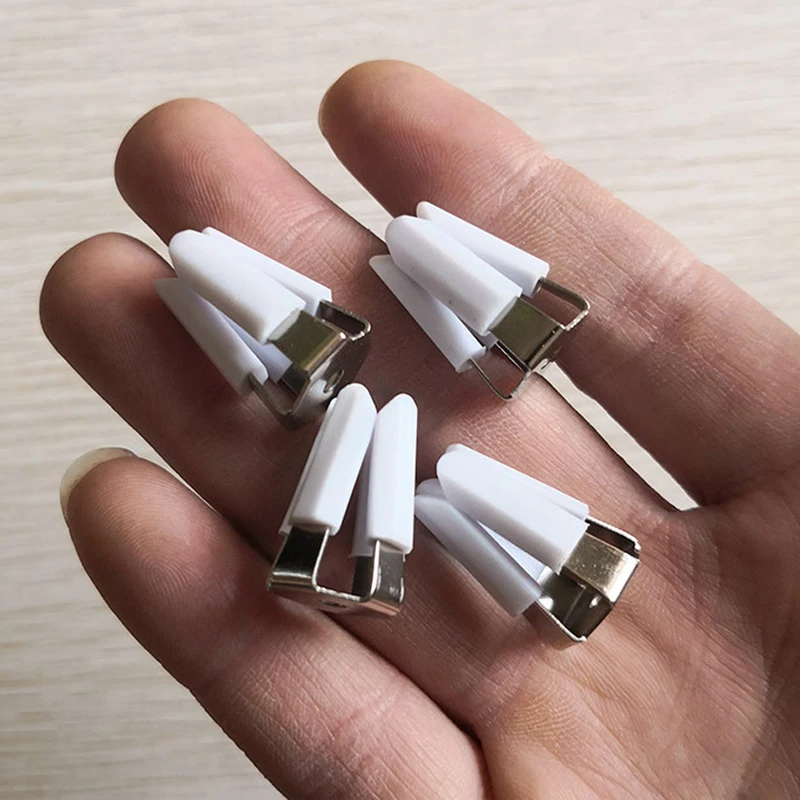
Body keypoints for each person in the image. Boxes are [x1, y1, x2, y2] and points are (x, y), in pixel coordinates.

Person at [40, 61, 800, 799]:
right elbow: (276, 314)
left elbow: (392, 357)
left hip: (382, 375)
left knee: (440, 476)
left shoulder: (407, 382)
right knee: (425, 460)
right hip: (349, 355)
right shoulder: (284, 317)